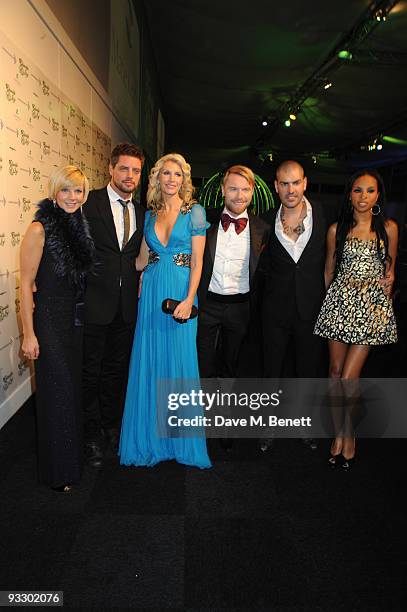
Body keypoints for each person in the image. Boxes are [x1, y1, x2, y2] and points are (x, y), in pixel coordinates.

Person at [119, 153, 211, 468]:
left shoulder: (195, 213)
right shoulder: (149, 215)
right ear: (157, 179)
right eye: (166, 174)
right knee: (151, 361)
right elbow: (142, 260)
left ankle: (181, 442)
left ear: (184, 180)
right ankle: (151, 439)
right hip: (153, 293)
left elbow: (198, 261)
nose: (171, 179)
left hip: (182, 292)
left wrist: (189, 299)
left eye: (177, 174)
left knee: (180, 363)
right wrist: (121, 270)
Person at [314, 169, 398, 469]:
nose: (364, 197)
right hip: (338, 304)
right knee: (335, 373)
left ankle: (348, 433)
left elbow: (390, 272)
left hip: (370, 309)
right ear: (349, 194)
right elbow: (328, 269)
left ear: (378, 195)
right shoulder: (337, 229)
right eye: (358, 190)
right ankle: (340, 434)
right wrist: (331, 303)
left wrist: (384, 308)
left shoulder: (389, 228)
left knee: (350, 377)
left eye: (370, 191)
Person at [20, 165, 95, 492]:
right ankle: (57, 473)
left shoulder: (80, 226)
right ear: (54, 192)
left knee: (69, 392)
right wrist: (29, 333)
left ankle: (69, 461)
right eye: (66, 190)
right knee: (57, 393)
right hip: (48, 319)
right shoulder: (40, 228)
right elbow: (24, 284)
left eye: (78, 191)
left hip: (73, 319)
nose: (72, 197)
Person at [259, 160, 334, 452]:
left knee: (307, 371)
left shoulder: (325, 216)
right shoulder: (264, 221)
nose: (291, 190)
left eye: (296, 182)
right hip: (274, 311)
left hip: (311, 308)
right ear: (276, 187)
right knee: (271, 371)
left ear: (305, 183)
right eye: (284, 184)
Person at [197, 165, 270, 450]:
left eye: (244, 189)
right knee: (203, 366)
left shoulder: (263, 228)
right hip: (207, 304)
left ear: (252, 192)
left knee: (230, 367)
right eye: (233, 188)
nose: (239, 195)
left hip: (240, 307)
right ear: (223, 190)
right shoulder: (205, 221)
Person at [82, 142, 145, 467]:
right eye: (124, 168)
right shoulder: (87, 201)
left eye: (135, 170)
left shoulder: (142, 210)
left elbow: (138, 257)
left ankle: (110, 426)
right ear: (110, 168)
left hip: (126, 306)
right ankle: (90, 434)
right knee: (89, 372)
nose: (130, 175)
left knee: (115, 371)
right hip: (93, 302)